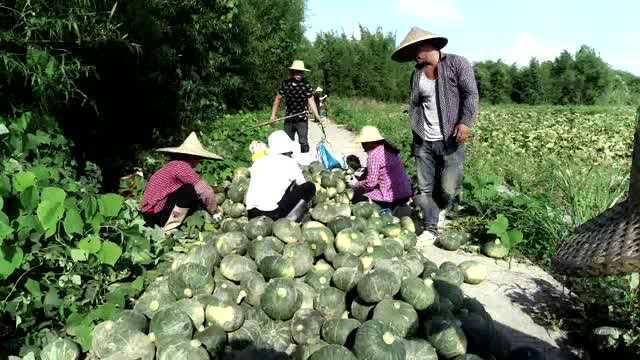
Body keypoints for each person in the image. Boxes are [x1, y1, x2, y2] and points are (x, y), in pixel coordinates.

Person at [391, 27, 479, 239]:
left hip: (450, 139)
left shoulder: (458, 63)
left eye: (417, 49)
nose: (415, 55)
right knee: (424, 188)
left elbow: (471, 94)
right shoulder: (417, 74)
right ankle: (430, 227)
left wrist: (466, 123)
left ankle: (443, 211)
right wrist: (415, 140)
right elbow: (414, 107)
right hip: (424, 140)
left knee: (448, 186)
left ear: (429, 46)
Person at [140, 132, 223, 232]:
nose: (199, 162)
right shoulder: (181, 166)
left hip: (148, 214)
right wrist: (215, 211)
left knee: (191, 192)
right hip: (156, 215)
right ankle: (169, 228)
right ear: (193, 158)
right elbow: (205, 191)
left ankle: (172, 223)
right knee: (189, 190)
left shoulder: (171, 165)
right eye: (198, 159)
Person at [245, 130, 316, 221]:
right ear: (287, 149)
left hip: (252, 214)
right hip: (272, 214)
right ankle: (290, 219)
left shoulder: (258, 161)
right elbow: (302, 183)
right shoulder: (290, 162)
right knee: (309, 187)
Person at [348, 126, 413, 215]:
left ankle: (386, 210)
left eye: (363, 142)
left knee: (360, 196)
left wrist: (356, 185)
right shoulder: (390, 149)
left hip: (390, 196)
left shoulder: (373, 156)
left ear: (370, 142)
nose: (362, 145)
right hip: (405, 192)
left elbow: (371, 183)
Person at [270, 60, 323, 153]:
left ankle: (306, 162)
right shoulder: (286, 84)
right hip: (289, 118)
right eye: (297, 72)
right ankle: (288, 163)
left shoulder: (306, 84)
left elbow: (311, 100)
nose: (299, 74)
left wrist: (317, 116)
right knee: (286, 143)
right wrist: (273, 116)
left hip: (301, 118)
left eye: (301, 72)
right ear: (292, 72)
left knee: (303, 142)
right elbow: (278, 99)